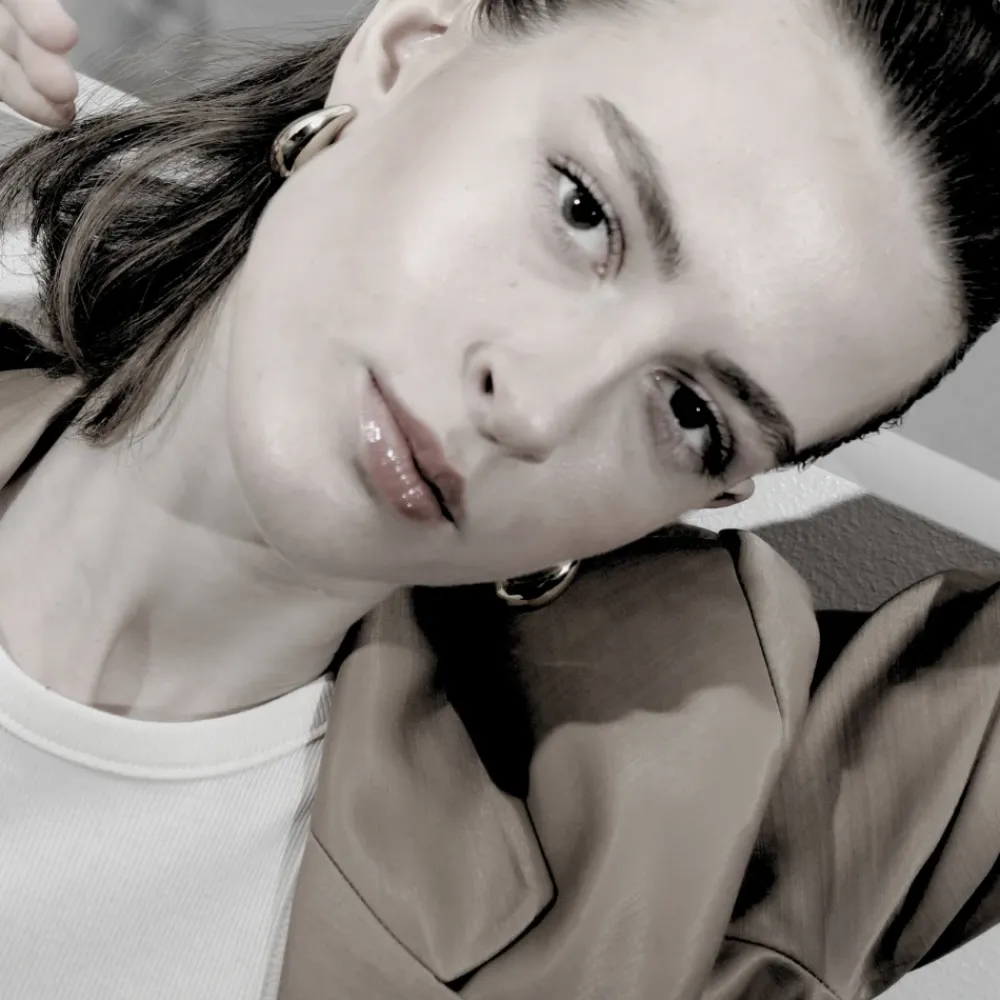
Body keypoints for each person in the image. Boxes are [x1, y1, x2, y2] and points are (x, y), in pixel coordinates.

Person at [0, 0, 999, 998]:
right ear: (405, 51)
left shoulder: (658, 853)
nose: (536, 409)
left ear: (716, 490)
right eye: (583, 211)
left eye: (691, 413)